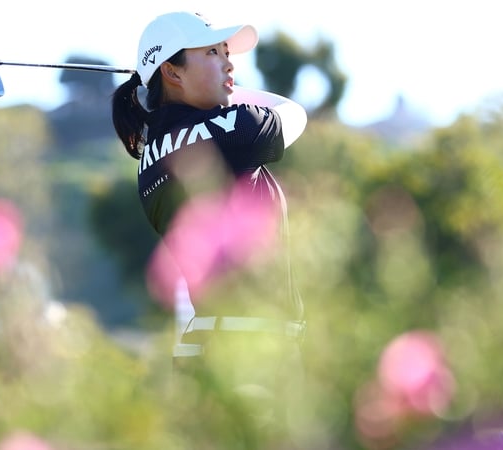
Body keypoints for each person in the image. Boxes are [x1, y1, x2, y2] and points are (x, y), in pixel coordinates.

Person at [111, 11, 308, 448]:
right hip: (246, 346)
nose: (230, 64)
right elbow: (292, 113)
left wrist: (178, 90)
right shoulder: (231, 129)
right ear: (172, 70)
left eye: (226, 54)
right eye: (213, 53)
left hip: (211, 342)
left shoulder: (150, 156)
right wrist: (237, 96)